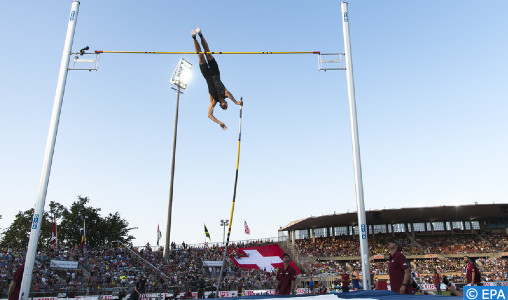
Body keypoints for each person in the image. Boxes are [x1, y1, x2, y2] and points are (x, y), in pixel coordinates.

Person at [191, 28, 243, 130]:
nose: (225, 107)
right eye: (226, 106)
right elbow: (229, 94)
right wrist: (236, 102)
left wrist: (219, 122)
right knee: (208, 53)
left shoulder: (213, 101)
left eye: (223, 108)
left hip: (206, 75)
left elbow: (209, 115)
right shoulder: (225, 93)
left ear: (221, 106)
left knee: (200, 56)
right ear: (227, 102)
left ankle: (193, 37)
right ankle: (201, 35)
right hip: (215, 72)